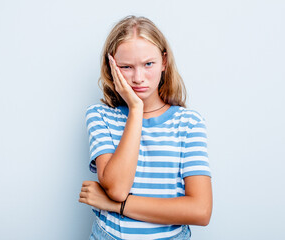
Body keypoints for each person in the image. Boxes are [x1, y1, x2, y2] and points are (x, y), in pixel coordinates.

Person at [79, 15, 212, 240]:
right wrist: (136, 109)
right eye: (126, 67)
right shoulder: (100, 116)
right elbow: (118, 189)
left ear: (164, 62)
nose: (138, 78)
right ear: (111, 67)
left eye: (148, 64)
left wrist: (116, 206)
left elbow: (200, 211)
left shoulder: (189, 123)